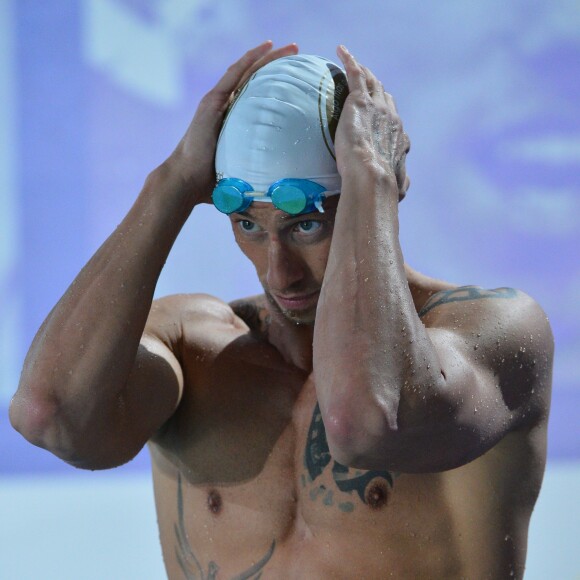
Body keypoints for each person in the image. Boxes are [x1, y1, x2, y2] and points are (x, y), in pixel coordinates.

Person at [10, 41, 553, 579]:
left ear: (378, 192)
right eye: (248, 225)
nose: (279, 272)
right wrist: (172, 182)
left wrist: (373, 183)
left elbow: (362, 422)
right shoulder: (191, 346)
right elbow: (49, 414)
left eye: (307, 225)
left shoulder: (490, 330)